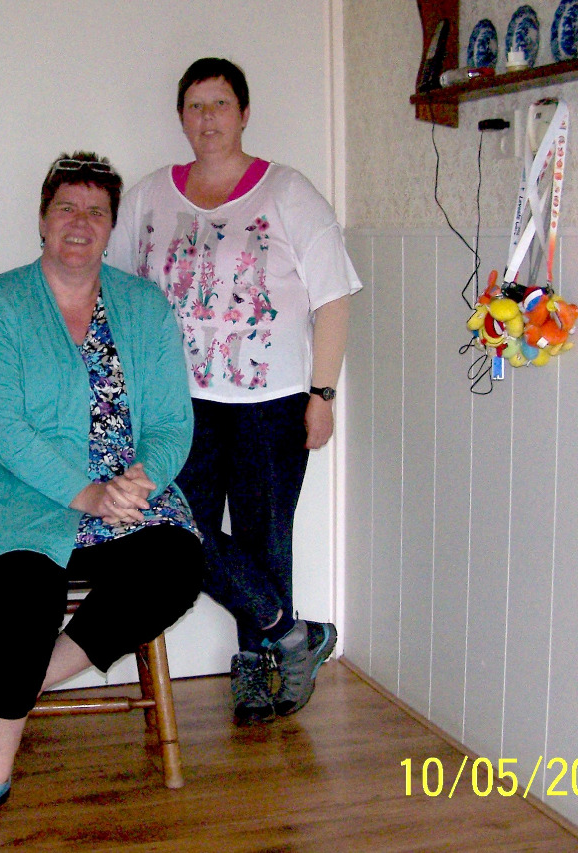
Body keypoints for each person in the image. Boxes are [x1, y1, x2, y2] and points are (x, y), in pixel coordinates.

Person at [0, 152, 203, 837]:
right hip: (15, 490)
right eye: (66, 208)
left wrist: (140, 480)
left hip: (124, 492)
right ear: (43, 219)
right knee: (21, 585)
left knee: (177, 563)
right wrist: (86, 493)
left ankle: (12, 691)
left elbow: (172, 420)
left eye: (95, 211)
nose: (79, 223)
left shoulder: (143, 306)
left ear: (111, 226)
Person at [107, 58, 362, 724]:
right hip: (179, 405)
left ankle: (258, 671)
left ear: (244, 113)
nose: (208, 118)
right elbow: (117, 291)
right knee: (178, 532)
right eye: (195, 106)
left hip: (272, 404)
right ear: (180, 117)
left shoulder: (288, 191)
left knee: (264, 537)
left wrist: (323, 394)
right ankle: (294, 635)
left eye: (220, 104)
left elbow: (333, 298)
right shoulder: (149, 196)